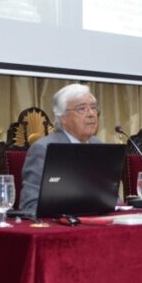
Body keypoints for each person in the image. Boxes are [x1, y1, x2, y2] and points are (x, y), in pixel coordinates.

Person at [18, 83, 101, 213]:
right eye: (82, 109)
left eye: (93, 108)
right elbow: (30, 204)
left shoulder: (99, 146)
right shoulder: (44, 149)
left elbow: (109, 198)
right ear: (63, 118)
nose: (91, 114)